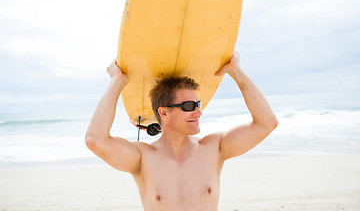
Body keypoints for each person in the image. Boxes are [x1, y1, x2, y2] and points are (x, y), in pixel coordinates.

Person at [85, 51, 278, 211]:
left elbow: (267, 123)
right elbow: (95, 140)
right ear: (164, 112)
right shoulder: (142, 158)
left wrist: (236, 71)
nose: (198, 112)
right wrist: (117, 81)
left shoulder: (214, 147)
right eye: (188, 105)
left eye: (197, 104)